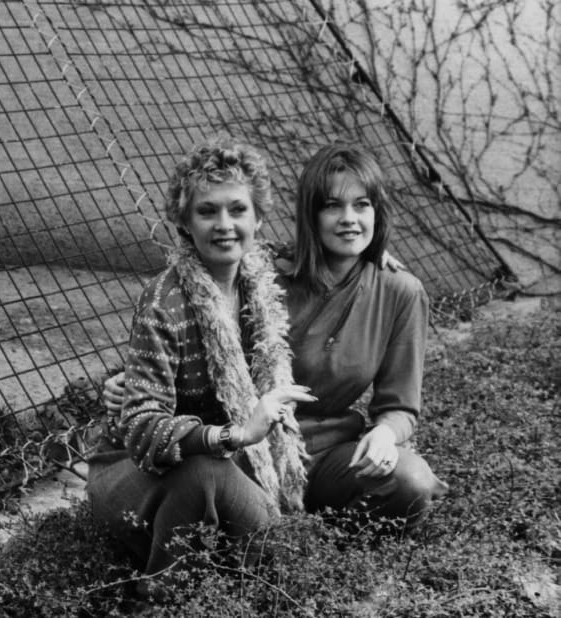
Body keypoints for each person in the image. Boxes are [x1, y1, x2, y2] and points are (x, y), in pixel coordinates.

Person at [102, 143, 448, 548]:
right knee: (246, 522)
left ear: (378, 212)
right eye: (332, 206)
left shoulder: (400, 292)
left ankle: (325, 544)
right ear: (310, 214)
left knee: (411, 482)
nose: (349, 219)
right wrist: (132, 380)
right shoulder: (265, 275)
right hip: (247, 448)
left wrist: (388, 434)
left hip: (329, 450)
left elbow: (401, 404)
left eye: (362, 205)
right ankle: (264, 537)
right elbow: (204, 326)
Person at [86, 139, 316, 587]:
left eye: (237, 210)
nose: (225, 225)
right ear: (185, 224)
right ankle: (158, 597)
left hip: (230, 466)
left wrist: (376, 256)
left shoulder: (261, 281)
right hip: (139, 472)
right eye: (207, 211)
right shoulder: (163, 299)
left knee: (273, 554)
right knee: (206, 472)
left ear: (258, 218)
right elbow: (140, 426)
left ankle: (215, 572)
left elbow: (332, 251)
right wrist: (236, 434)